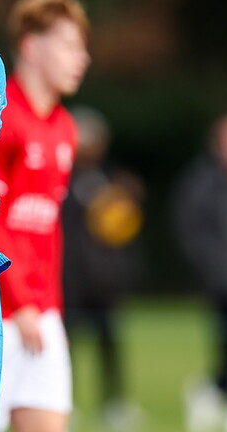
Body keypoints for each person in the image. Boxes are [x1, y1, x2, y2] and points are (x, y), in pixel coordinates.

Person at [0, 0, 91, 432]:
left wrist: (49, 310)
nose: (81, 58)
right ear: (30, 45)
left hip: (42, 312)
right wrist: (21, 302)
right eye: (69, 44)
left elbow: (47, 229)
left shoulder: (66, 128)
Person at [174, 111, 227, 432]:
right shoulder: (203, 180)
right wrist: (215, 266)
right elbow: (190, 230)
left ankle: (218, 392)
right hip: (224, 280)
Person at [61, 107, 144, 431]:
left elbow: (124, 228)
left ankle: (115, 403)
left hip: (105, 281)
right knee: (67, 347)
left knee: (110, 345)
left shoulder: (114, 180)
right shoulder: (61, 177)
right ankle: (66, 402)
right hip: (71, 278)